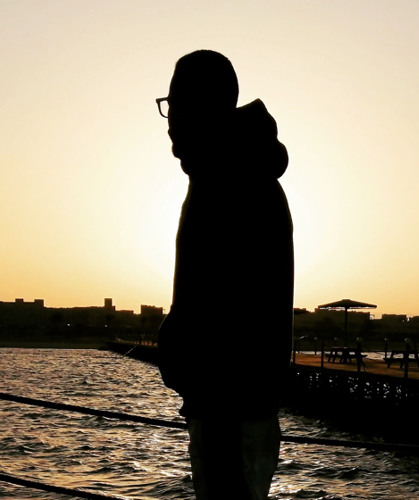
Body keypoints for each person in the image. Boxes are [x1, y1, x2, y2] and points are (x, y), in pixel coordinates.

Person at [156, 50, 294, 500]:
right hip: (228, 401)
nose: (170, 120)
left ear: (204, 105)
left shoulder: (231, 180)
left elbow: (227, 305)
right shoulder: (232, 172)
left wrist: (181, 347)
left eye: (176, 104)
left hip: (228, 405)